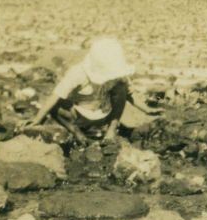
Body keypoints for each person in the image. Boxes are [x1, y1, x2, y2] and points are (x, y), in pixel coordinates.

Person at [21, 37, 150, 143]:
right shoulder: (78, 73)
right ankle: (78, 133)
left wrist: (147, 110)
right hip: (78, 115)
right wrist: (37, 119)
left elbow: (129, 94)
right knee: (56, 106)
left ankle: (111, 131)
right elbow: (55, 95)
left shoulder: (118, 76)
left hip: (105, 114)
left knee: (121, 89)